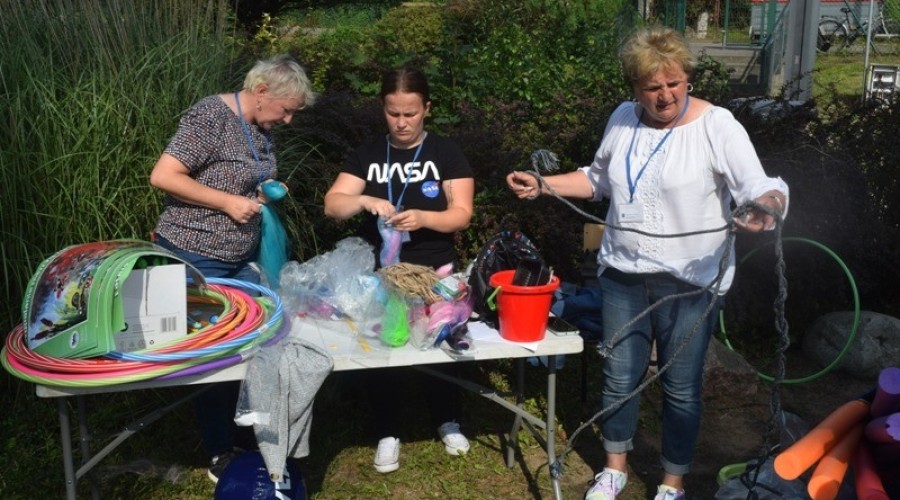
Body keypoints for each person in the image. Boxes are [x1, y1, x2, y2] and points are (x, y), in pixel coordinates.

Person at [506, 27, 789, 500]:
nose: (664, 96)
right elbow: (597, 179)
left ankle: (672, 483)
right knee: (619, 376)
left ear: (688, 79)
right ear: (634, 88)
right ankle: (614, 469)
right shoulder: (622, 119)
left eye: (674, 84)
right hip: (622, 276)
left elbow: (758, 185)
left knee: (680, 388)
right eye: (652, 87)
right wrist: (544, 184)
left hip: (689, 282)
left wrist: (766, 204)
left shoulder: (716, 126)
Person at [149, 53, 316, 483]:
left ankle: (249, 435)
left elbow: (240, 177)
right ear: (262, 92)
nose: (289, 119)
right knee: (213, 355)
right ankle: (220, 449)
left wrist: (264, 191)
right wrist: (227, 202)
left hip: (240, 257)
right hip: (194, 254)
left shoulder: (260, 127)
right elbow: (164, 176)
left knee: (259, 343)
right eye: (287, 109)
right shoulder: (210, 117)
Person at [323, 67, 475, 473]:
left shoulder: (445, 153)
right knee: (384, 351)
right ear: (383, 110)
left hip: (434, 273)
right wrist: (363, 202)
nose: (402, 123)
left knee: (439, 346)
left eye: (411, 113)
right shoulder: (368, 155)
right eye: (393, 113)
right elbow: (333, 203)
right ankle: (387, 430)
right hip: (380, 276)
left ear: (427, 109)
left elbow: (461, 214)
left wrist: (425, 217)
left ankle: (447, 419)